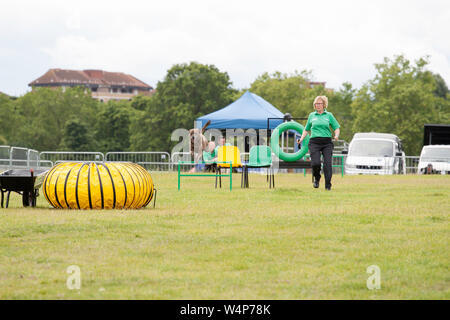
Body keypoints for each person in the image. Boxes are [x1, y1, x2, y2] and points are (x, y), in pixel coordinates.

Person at [297, 96, 340, 190]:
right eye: (316, 104)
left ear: (324, 104)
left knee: (327, 164)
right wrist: (301, 139)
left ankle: (328, 185)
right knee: (315, 163)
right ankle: (317, 178)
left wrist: (336, 135)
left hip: (327, 142)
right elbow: (306, 129)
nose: (318, 105)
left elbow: (336, 127)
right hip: (314, 142)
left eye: (320, 104)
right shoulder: (312, 115)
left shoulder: (329, 115)